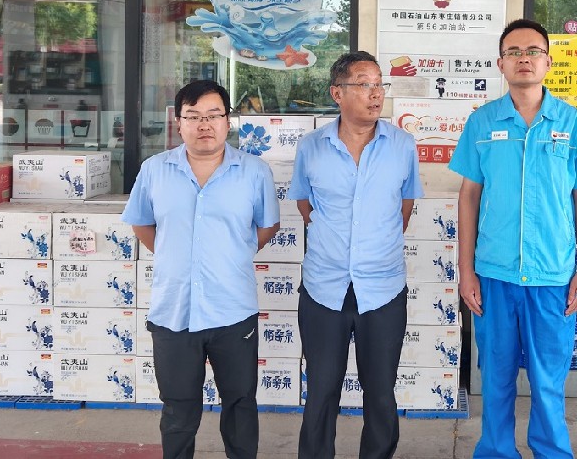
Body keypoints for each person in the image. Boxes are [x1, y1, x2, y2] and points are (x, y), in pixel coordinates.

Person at [449, 19, 577, 459]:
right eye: (514, 52)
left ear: (548, 61)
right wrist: (466, 271)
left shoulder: (572, 123)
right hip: (494, 275)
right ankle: (496, 452)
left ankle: (551, 452)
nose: (524, 59)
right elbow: (468, 197)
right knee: (496, 377)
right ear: (500, 63)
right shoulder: (482, 122)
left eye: (533, 51)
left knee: (548, 381)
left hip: (552, 277)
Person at [121, 80, 279, 459]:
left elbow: (267, 226)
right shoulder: (154, 170)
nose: (204, 124)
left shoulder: (254, 172)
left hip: (233, 310)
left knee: (240, 403)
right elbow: (142, 223)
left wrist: (231, 254)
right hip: (174, 311)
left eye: (213, 115)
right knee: (178, 409)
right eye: (193, 116)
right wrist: (178, 255)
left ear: (228, 121)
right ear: (179, 123)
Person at [288, 51, 423, 459]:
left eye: (379, 84)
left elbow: (403, 209)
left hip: (382, 288)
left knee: (380, 392)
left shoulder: (402, 146)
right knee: (321, 390)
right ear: (337, 93)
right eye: (364, 84)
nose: (376, 93)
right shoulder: (311, 147)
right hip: (323, 289)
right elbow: (306, 206)